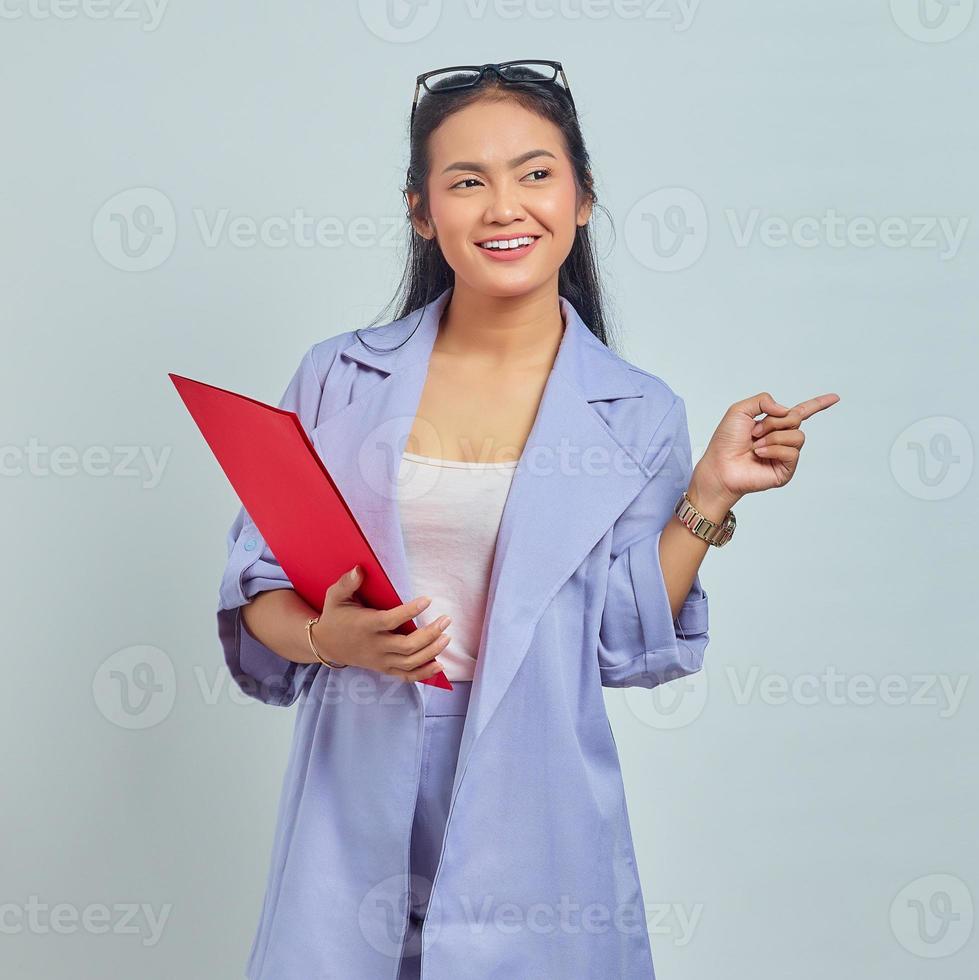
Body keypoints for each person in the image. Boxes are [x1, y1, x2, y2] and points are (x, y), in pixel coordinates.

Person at [215, 61, 838, 978]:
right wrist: (328, 637)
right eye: (468, 181)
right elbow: (259, 586)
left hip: (535, 809)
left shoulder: (634, 411)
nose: (505, 206)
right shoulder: (340, 379)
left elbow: (623, 642)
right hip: (355, 796)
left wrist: (710, 496)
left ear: (583, 198)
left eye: (536, 173)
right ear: (423, 211)